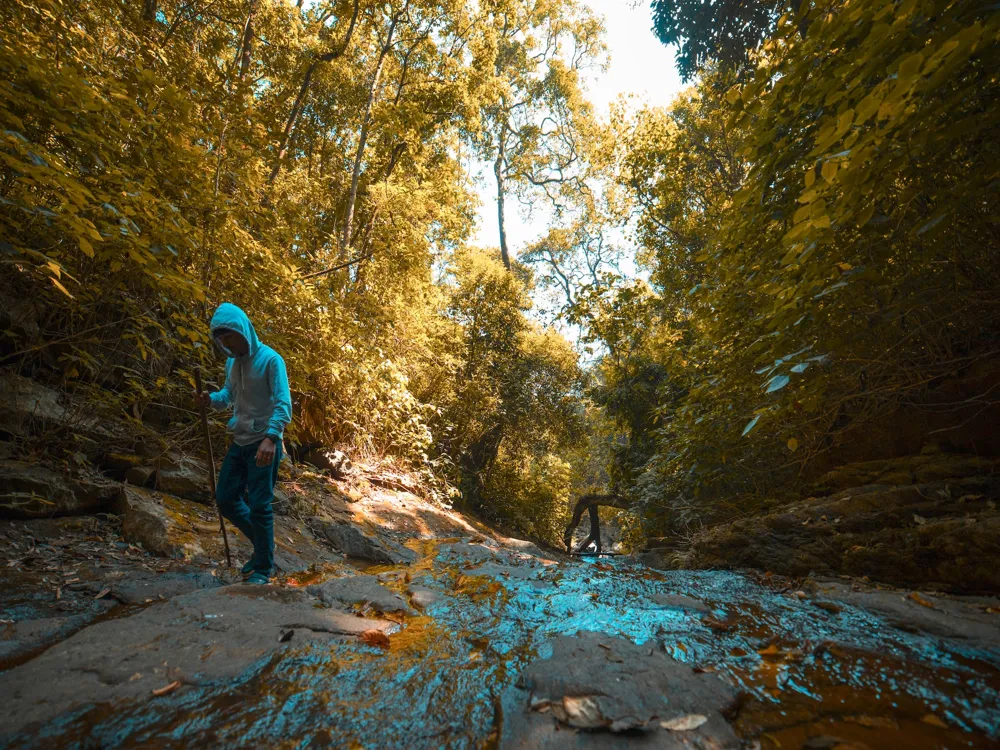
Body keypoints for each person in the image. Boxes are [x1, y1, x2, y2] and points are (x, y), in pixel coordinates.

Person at [195, 303, 292, 584]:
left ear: (243, 331)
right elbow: (228, 395)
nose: (227, 344)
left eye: (230, 338)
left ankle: (263, 567)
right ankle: (264, 547)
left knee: (260, 504)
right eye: (221, 340)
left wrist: (271, 438)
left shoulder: (271, 360)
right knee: (225, 498)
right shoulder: (231, 363)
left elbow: (284, 404)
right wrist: (209, 400)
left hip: (264, 443)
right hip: (240, 441)